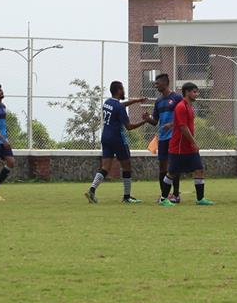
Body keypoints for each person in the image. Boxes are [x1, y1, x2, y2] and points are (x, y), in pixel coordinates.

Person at [85, 81, 147, 204]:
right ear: (119, 90)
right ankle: (126, 197)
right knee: (127, 165)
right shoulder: (119, 108)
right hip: (117, 138)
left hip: (106, 137)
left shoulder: (108, 102)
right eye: (123, 89)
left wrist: (136, 101)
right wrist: (145, 121)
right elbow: (129, 127)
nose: (124, 91)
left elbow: (120, 105)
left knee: (105, 167)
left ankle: (92, 190)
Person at [160, 82, 215, 206]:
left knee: (199, 169)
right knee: (172, 173)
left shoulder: (190, 107)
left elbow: (180, 122)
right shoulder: (181, 106)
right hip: (179, 147)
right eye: (194, 92)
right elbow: (183, 127)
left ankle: (200, 199)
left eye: (197, 92)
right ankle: (163, 199)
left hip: (189, 147)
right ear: (187, 92)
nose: (197, 94)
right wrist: (194, 142)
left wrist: (171, 125)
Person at [142, 73, 183, 203]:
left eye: (157, 83)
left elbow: (183, 116)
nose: (155, 85)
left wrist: (172, 125)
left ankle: (176, 195)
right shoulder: (158, 101)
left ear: (165, 83)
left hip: (174, 136)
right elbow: (155, 121)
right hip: (163, 138)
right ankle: (164, 195)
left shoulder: (177, 98)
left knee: (173, 166)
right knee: (162, 167)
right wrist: (148, 119)